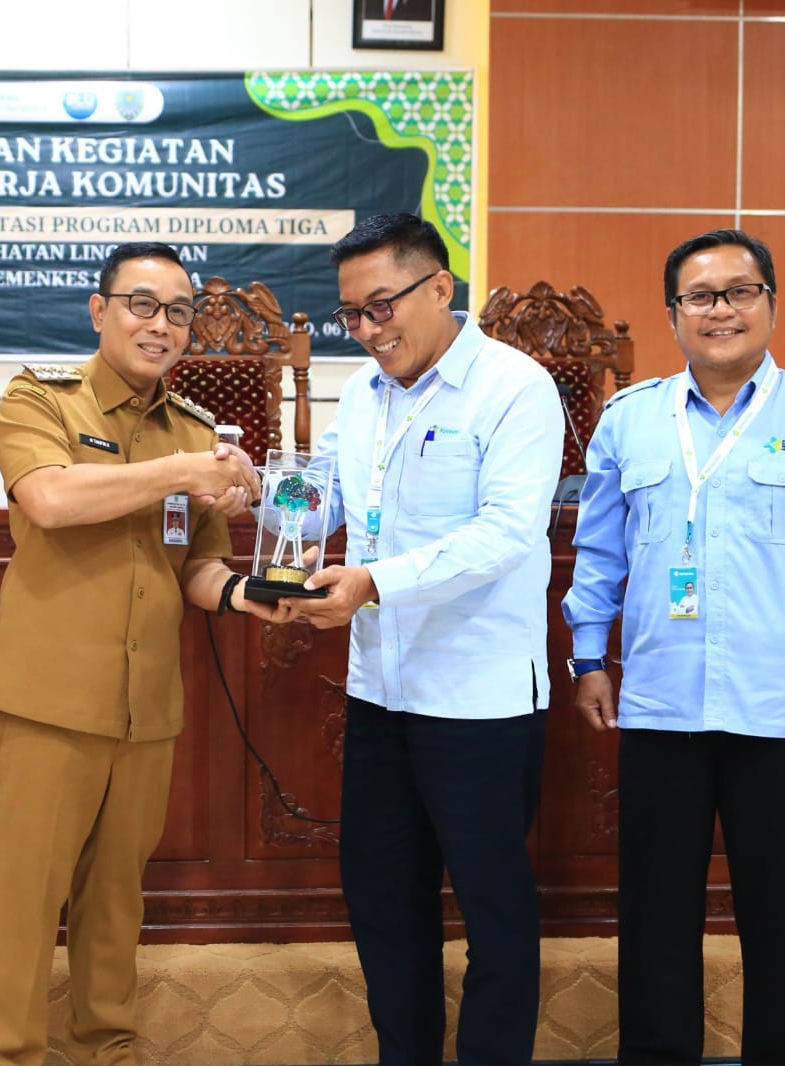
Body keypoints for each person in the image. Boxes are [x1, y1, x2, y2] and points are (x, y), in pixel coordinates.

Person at [0, 241, 276, 1066]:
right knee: (27, 906)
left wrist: (251, 594)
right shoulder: (40, 399)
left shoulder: (194, 431)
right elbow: (49, 498)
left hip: (146, 709)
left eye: (179, 312)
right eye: (143, 304)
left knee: (116, 906)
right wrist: (179, 473)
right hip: (48, 701)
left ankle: (106, 1050)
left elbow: (199, 567)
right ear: (99, 310)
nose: (161, 325)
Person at [563, 229, 785, 1065]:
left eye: (740, 291)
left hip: (781, 710)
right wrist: (589, 656)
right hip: (661, 706)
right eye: (700, 296)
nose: (720, 309)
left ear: (771, 303)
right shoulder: (630, 420)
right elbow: (599, 553)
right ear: (673, 314)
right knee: (655, 920)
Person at [278, 213, 564, 1064]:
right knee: (384, 904)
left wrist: (372, 582)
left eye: (381, 307)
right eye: (351, 315)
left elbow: (506, 533)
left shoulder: (515, 388)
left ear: (440, 287)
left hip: (479, 701)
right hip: (381, 692)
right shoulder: (364, 393)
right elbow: (324, 498)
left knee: (493, 912)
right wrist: (260, 500)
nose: (368, 331)